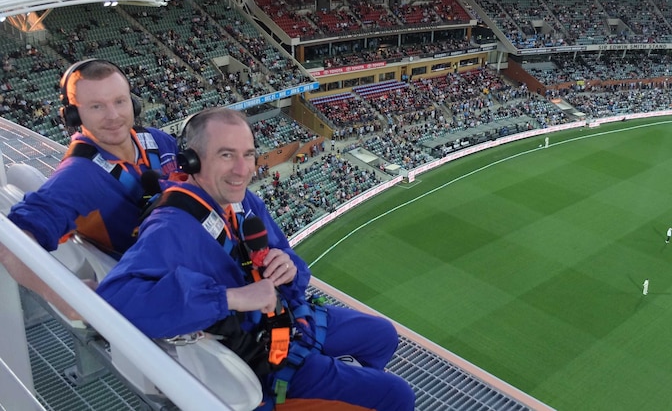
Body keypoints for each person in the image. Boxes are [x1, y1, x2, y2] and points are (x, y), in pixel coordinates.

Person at [97, 108, 414, 410]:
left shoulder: (242, 200)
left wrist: (290, 270)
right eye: (226, 155)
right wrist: (232, 297)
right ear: (191, 161)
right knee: (397, 396)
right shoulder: (171, 226)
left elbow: (291, 261)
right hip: (265, 357)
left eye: (248, 154)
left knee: (383, 335)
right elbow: (114, 300)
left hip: (287, 320)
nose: (243, 169)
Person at [0, 59, 178, 319]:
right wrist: (62, 296)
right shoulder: (78, 176)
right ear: (73, 115)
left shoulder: (156, 140)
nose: (113, 116)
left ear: (134, 102)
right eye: (96, 106)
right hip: (166, 293)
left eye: (120, 101)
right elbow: (11, 244)